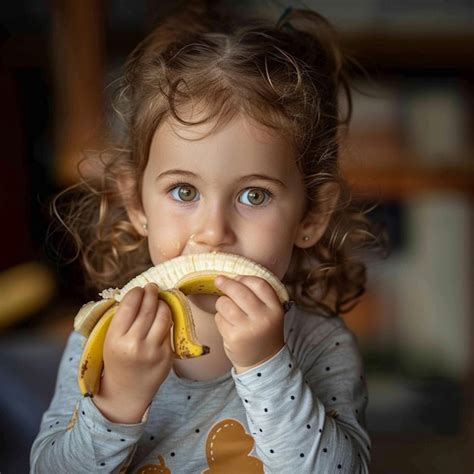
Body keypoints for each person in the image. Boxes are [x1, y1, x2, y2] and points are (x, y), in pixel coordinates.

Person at [31, 2, 384, 472]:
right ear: (137, 203)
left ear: (311, 215)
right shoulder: (105, 341)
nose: (214, 232)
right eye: (184, 191)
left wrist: (267, 367)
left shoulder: (319, 345)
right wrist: (116, 401)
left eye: (254, 196)